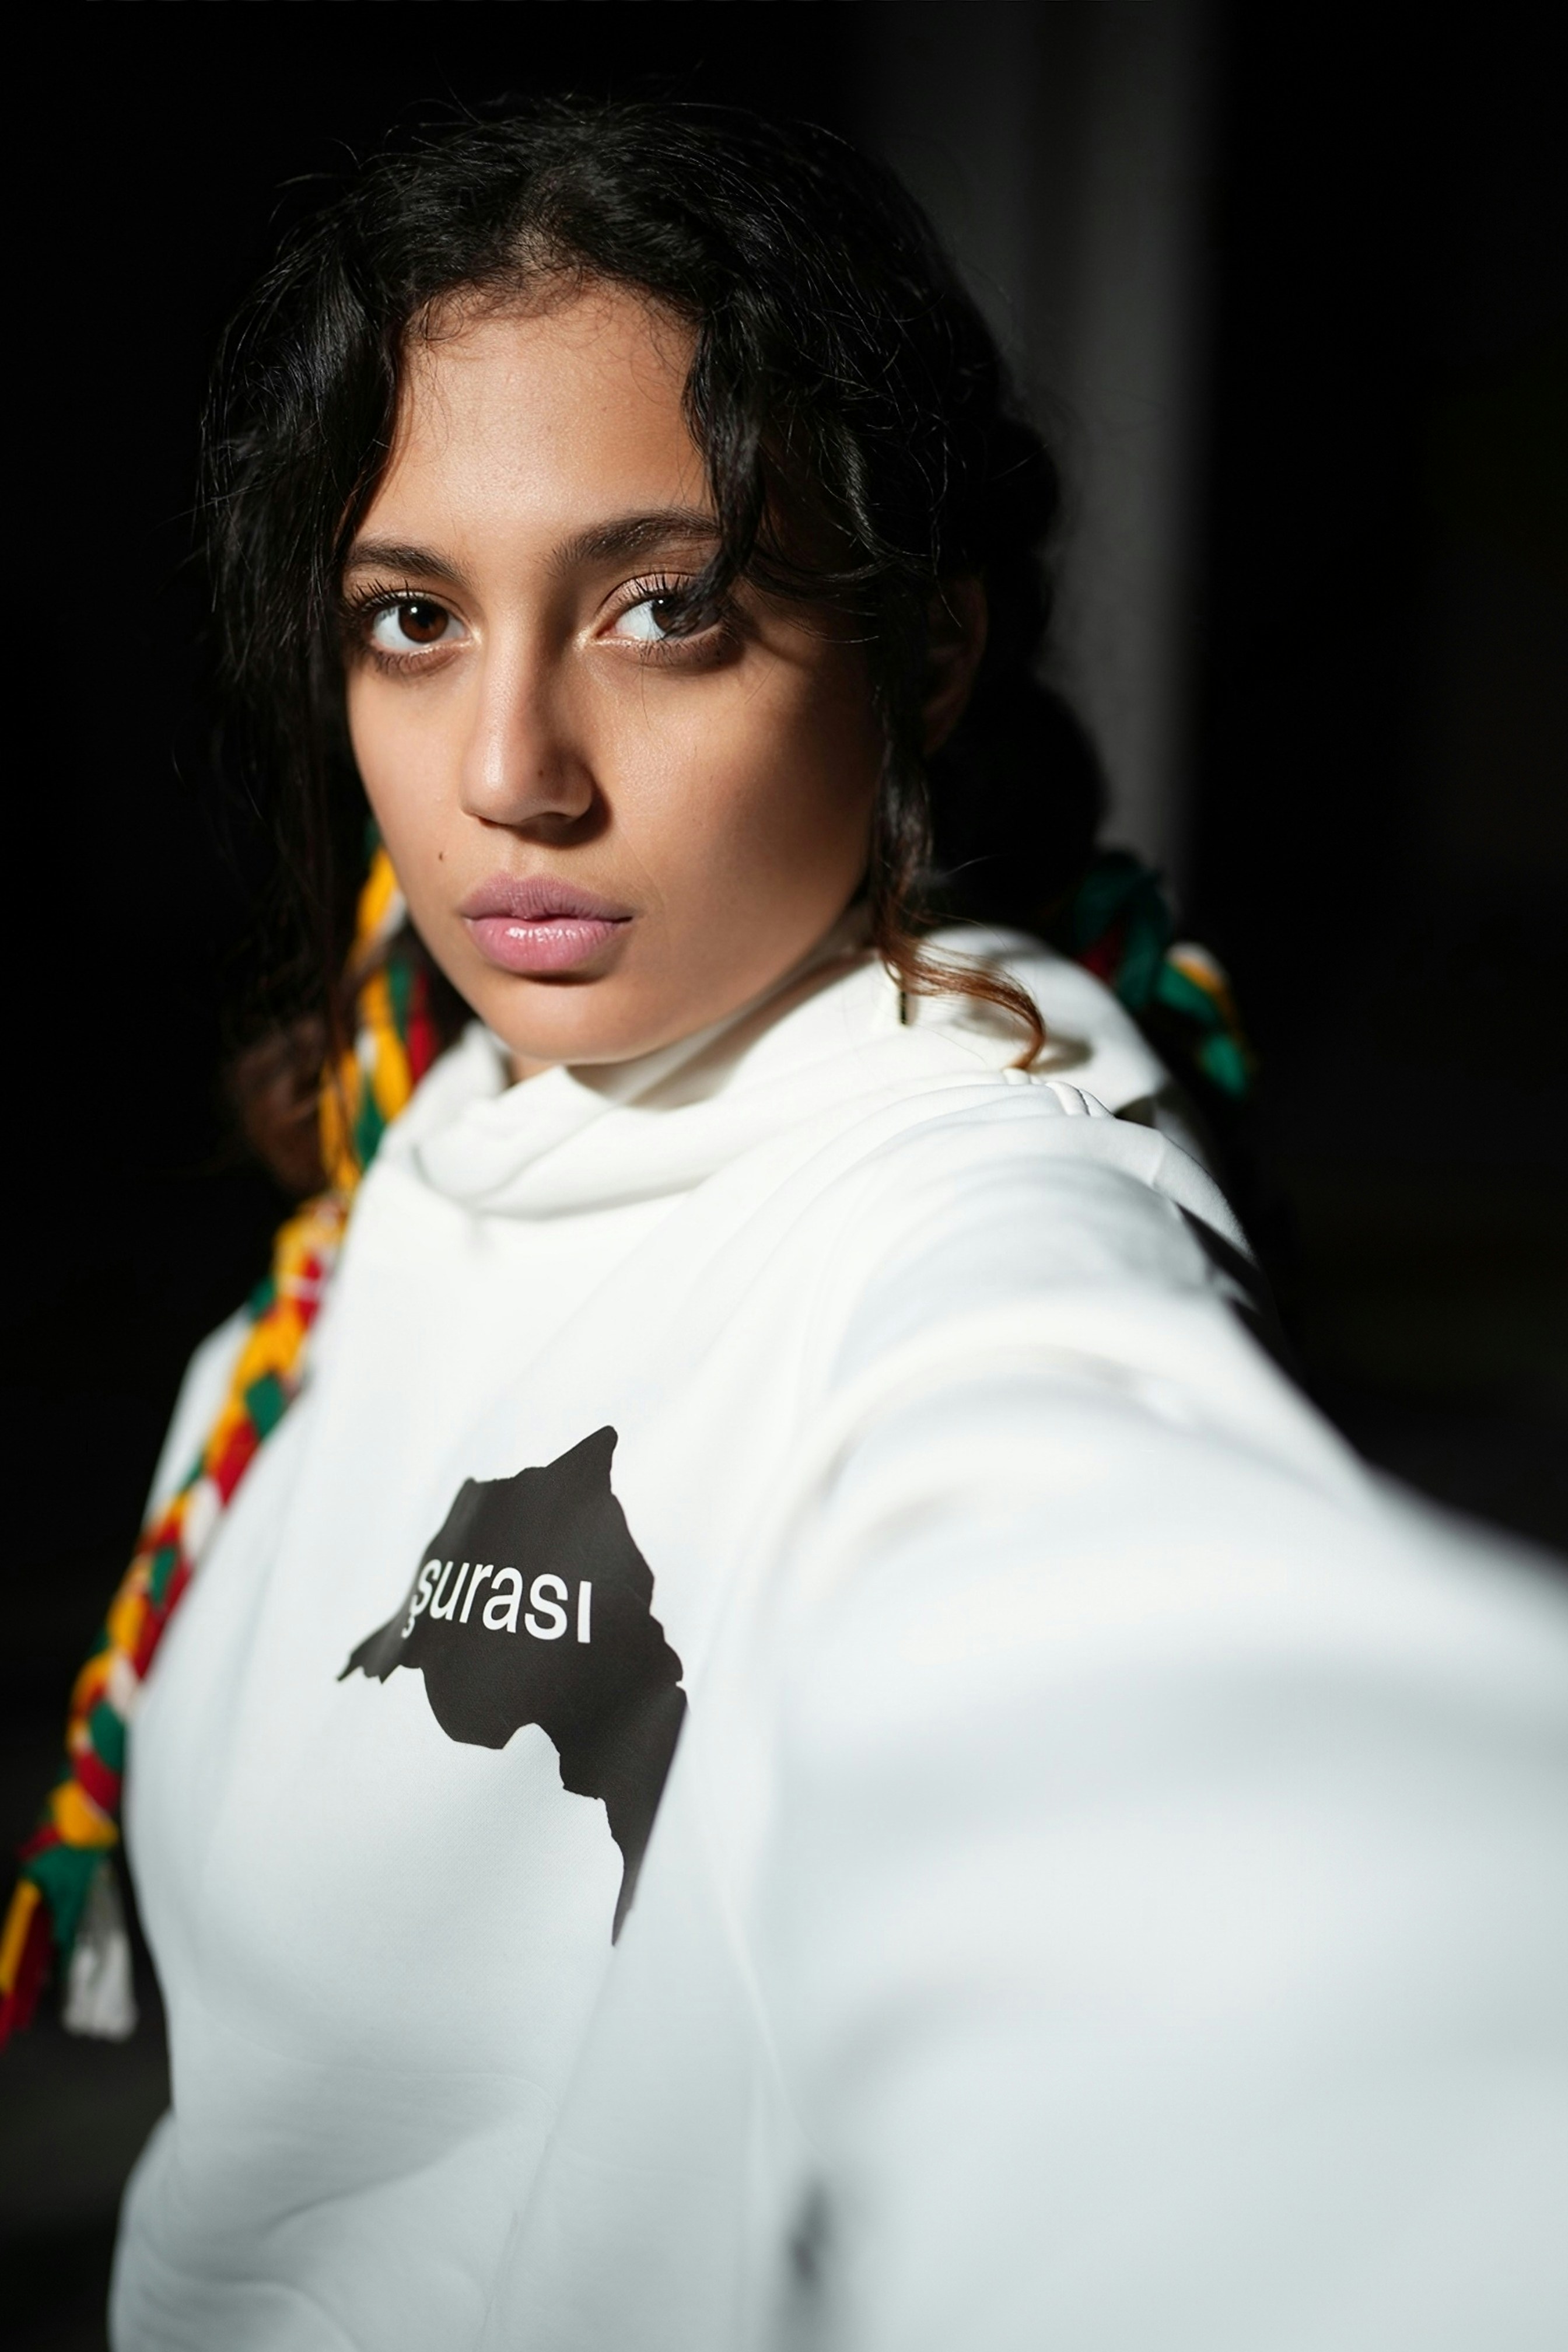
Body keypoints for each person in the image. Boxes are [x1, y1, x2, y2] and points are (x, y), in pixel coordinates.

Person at [5, 99, 1566, 2352]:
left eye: (667, 609)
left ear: (925, 656)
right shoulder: (428, 1124)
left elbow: (1086, 1605)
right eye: (414, 619)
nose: (510, 772)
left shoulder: (982, 1173)